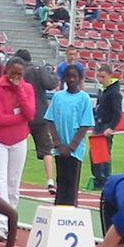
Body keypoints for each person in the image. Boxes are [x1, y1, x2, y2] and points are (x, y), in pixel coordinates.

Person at [0, 56, 34, 242]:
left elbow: (30, 113)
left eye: (19, 75)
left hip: (19, 140)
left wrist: (19, 90)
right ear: (6, 71)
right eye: (13, 74)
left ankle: (10, 219)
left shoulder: (27, 88)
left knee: (14, 184)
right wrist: (20, 118)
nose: (16, 77)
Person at [44, 64, 94, 206]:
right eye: (69, 77)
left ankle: (71, 209)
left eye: (74, 77)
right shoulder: (58, 97)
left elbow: (85, 125)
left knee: (71, 183)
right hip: (60, 148)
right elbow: (50, 120)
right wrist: (58, 144)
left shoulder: (84, 98)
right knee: (61, 180)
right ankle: (59, 208)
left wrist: (71, 147)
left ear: (80, 79)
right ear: (64, 78)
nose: (71, 79)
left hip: (74, 150)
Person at [15, 49, 58, 195]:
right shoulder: (38, 70)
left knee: (17, 147)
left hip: (23, 115)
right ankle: (50, 181)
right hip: (40, 114)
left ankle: (16, 179)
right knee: (47, 149)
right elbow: (51, 84)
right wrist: (52, 73)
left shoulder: (18, 72)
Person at [91, 64, 122, 188]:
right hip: (99, 124)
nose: (100, 79)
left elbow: (118, 113)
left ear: (110, 76)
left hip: (105, 125)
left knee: (103, 154)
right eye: (99, 77)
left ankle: (105, 179)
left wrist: (111, 127)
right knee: (95, 153)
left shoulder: (114, 93)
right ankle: (98, 178)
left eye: (103, 77)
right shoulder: (103, 90)